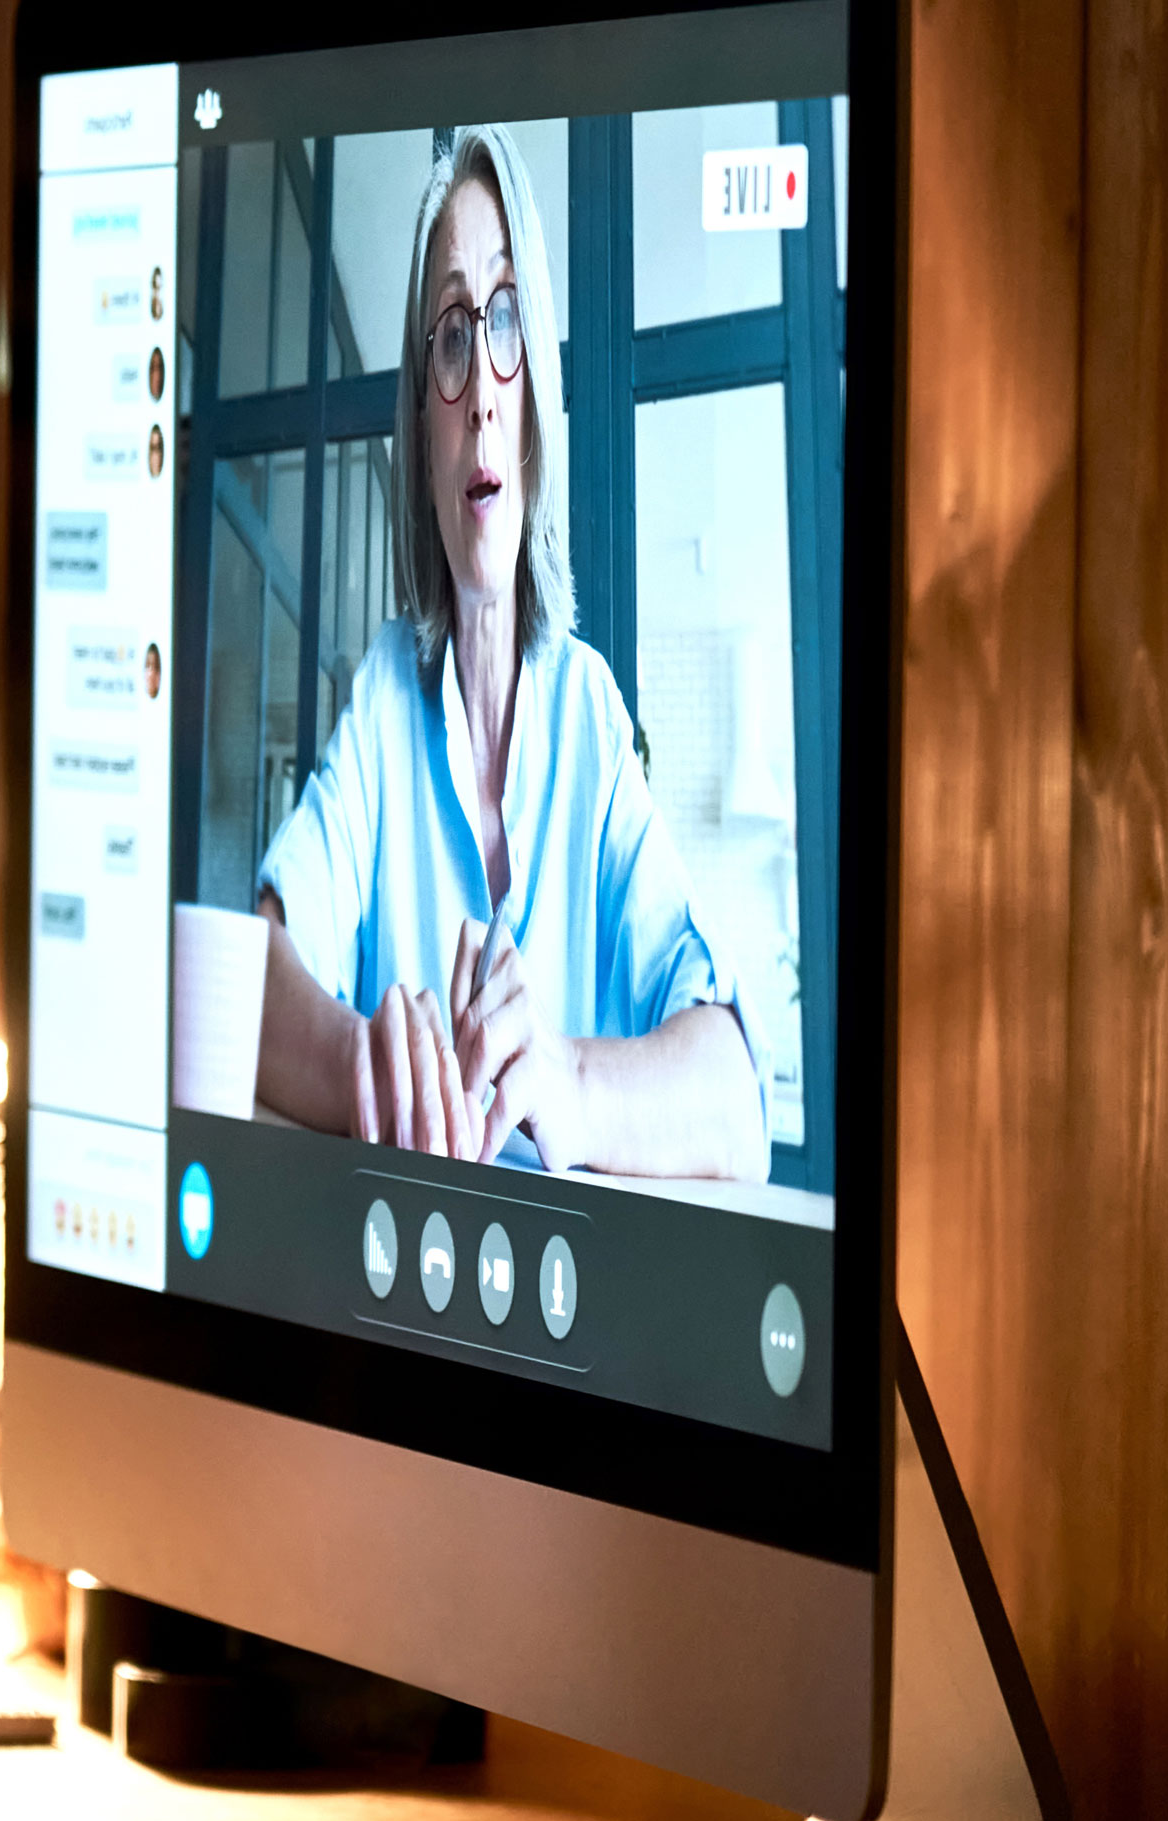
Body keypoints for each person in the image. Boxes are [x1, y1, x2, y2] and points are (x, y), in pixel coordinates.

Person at [250, 125, 764, 1179]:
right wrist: (376, 1067)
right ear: (425, 433)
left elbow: (736, 1106)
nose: (480, 386)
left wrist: (565, 1081)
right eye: (448, 335)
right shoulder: (385, 696)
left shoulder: (591, 712)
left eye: (506, 321)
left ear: (535, 410)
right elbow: (249, 979)